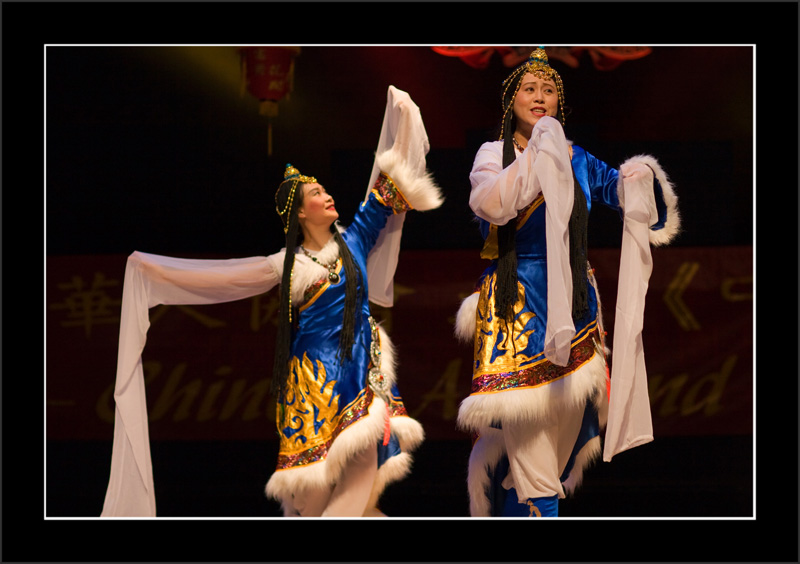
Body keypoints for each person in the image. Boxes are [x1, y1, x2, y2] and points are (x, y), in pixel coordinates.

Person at [100, 86, 443, 517]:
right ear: (301, 214)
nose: (327, 195)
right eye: (316, 193)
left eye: (324, 189)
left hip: (361, 369)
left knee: (364, 473)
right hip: (314, 377)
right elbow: (220, 277)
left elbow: (391, 183)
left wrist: (405, 115)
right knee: (313, 497)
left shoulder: (356, 238)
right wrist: (152, 269)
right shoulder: (288, 264)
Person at [454, 47, 680, 517]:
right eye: (529, 90)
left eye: (549, 90)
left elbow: (622, 194)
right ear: (510, 102)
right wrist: (538, 153)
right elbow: (493, 205)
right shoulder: (493, 154)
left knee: (555, 453)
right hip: (517, 303)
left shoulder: (578, 158)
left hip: (574, 307)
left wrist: (637, 179)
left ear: (560, 102)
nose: (540, 97)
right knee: (529, 450)